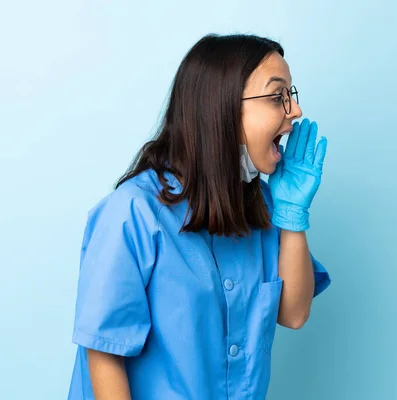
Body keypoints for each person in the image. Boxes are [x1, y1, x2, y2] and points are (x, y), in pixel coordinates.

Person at [67, 33, 331, 400]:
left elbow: (293, 313)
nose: (294, 111)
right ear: (220, 107)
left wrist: (293, 215)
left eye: (291, 96)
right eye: (277, 97)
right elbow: (105, 355)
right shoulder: (133, 213)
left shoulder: (265, 209)